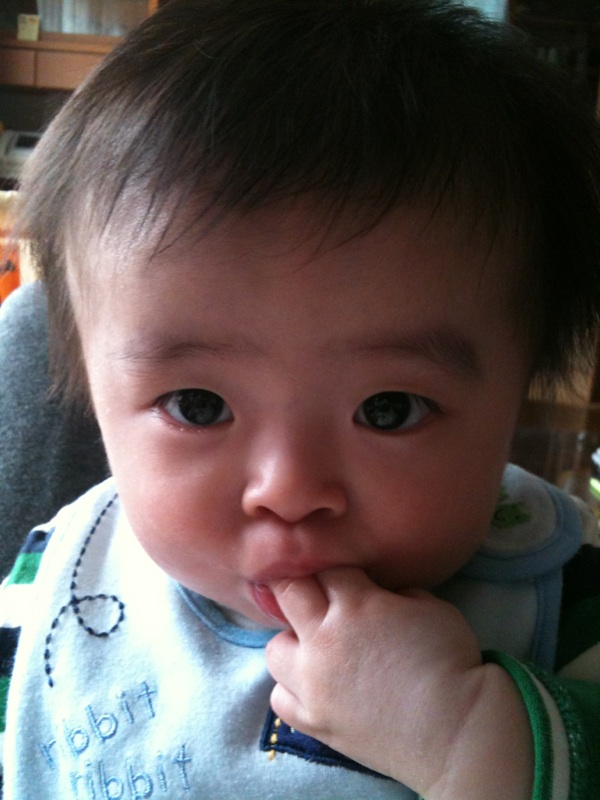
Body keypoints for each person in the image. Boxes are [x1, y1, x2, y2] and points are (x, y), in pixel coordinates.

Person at [2, 0, 600, 797]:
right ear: (91, 388)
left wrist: (472, 737)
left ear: (517, 396)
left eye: (388, 409)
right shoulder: (58, 581)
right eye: (198, 405)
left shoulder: (569, 605)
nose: (287, 490)